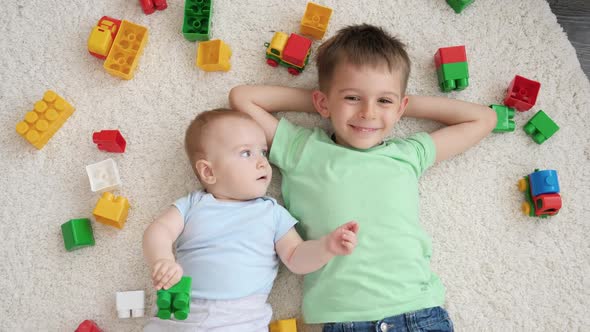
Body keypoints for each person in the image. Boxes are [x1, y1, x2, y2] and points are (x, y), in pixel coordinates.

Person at [229, 24, 497, 331]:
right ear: (322, 102)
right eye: (353, 98)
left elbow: (483, 118)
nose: (368, 113)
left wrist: (395, 107)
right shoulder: (302, 149)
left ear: (400, 106)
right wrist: (329, 103)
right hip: (343, 320)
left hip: (418, 312)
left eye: (383, 101)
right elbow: (243, 98)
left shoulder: (407, 154)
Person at [142, 109, 359, 331]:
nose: (262, 163)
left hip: (240, 320)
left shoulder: (273, 213)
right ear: (208, 172)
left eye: (263, 152)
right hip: (180, 313)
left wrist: (326, 247)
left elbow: (296, 257)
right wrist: (162, 259)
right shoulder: (193, 204)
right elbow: (158, 231)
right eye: (246, 153)